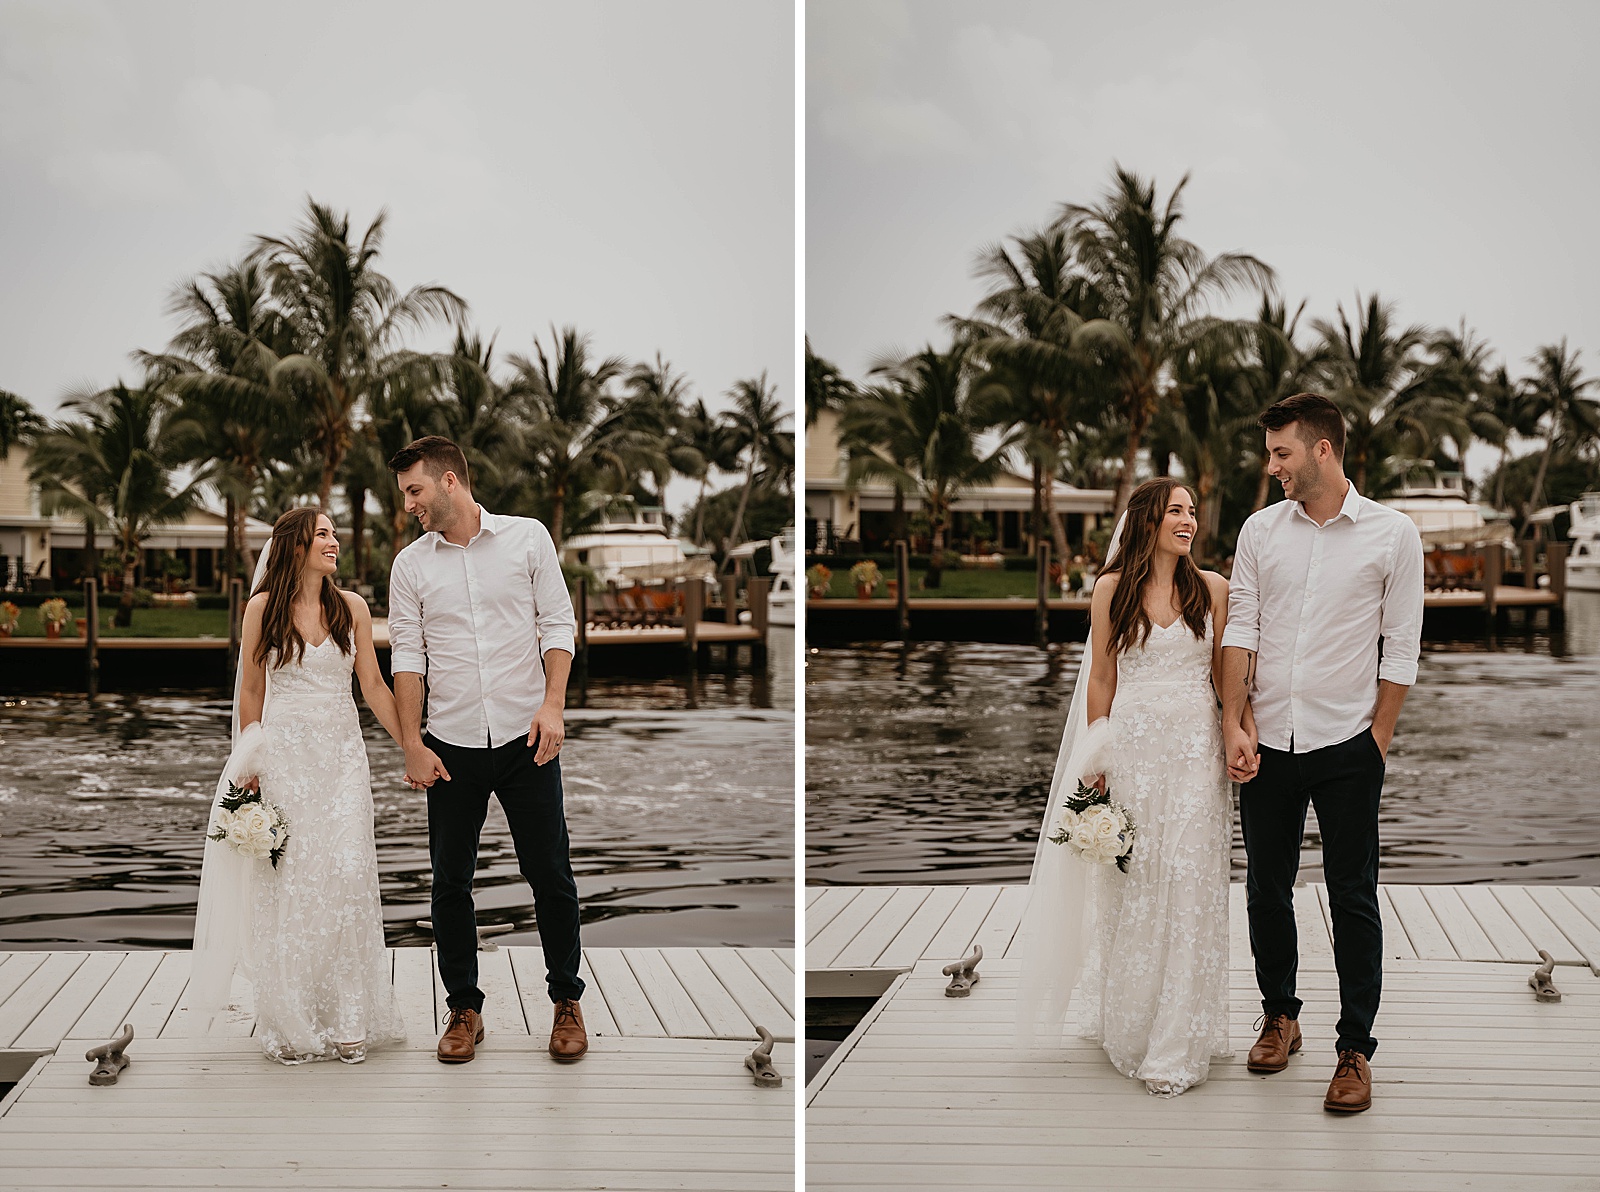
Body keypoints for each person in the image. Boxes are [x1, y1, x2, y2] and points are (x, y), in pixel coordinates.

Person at [1221, 391, 1423, 1115]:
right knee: (1265, 887)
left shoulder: (1394, 534)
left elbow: (1401, 647)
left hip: (1348, 744)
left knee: (1353, 895)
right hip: (1268, 741)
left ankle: (1355, 1049)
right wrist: (1235, 722)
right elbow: (1240, 627)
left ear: (1322, 451)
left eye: (1281, 453)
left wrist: (1378, 740)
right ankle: (1281, 1015)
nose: (1271, 465)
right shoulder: (1259, 532)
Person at [1015, 478, 1239, 1096]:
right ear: (1147, 520)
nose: (1188, 521)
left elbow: (1229, 678)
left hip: (1197, 752)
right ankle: (1133, 1024)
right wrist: (1097, 752)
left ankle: (1178, 1039)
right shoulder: (1112, 589)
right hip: (1136, 751)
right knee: (1137, 881)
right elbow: (1102, 678)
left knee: (1189, 881)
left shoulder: (1214, 590)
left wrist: (1239, 732)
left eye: (1192, 512)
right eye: (1175, 511)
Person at [385, 435, 586, 1065]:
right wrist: (412, 743)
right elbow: (408, 658)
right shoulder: (409, 567)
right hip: (451, 746)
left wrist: (553, 704)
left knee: (550, 875)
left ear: (449, 481)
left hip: (529, 740)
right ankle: (464, 1010)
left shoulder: (527, 538)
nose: (409, 505)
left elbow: (557, 623)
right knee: (449, 884)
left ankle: (566, 1001)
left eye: (415, 490)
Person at [191, 507, 406, 1065]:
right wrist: (251, 760)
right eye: (323, 534)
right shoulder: (262, 609)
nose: (335, 542)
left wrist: (413, 746)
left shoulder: (351, 608)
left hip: (341, 760)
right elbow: (252, 693)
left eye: (336, 533)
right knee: (290, 884)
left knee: (349, 873)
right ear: (295, 546)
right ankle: (290, 1018)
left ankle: (349, 1016)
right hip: (286, 759)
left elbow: (375, 687)